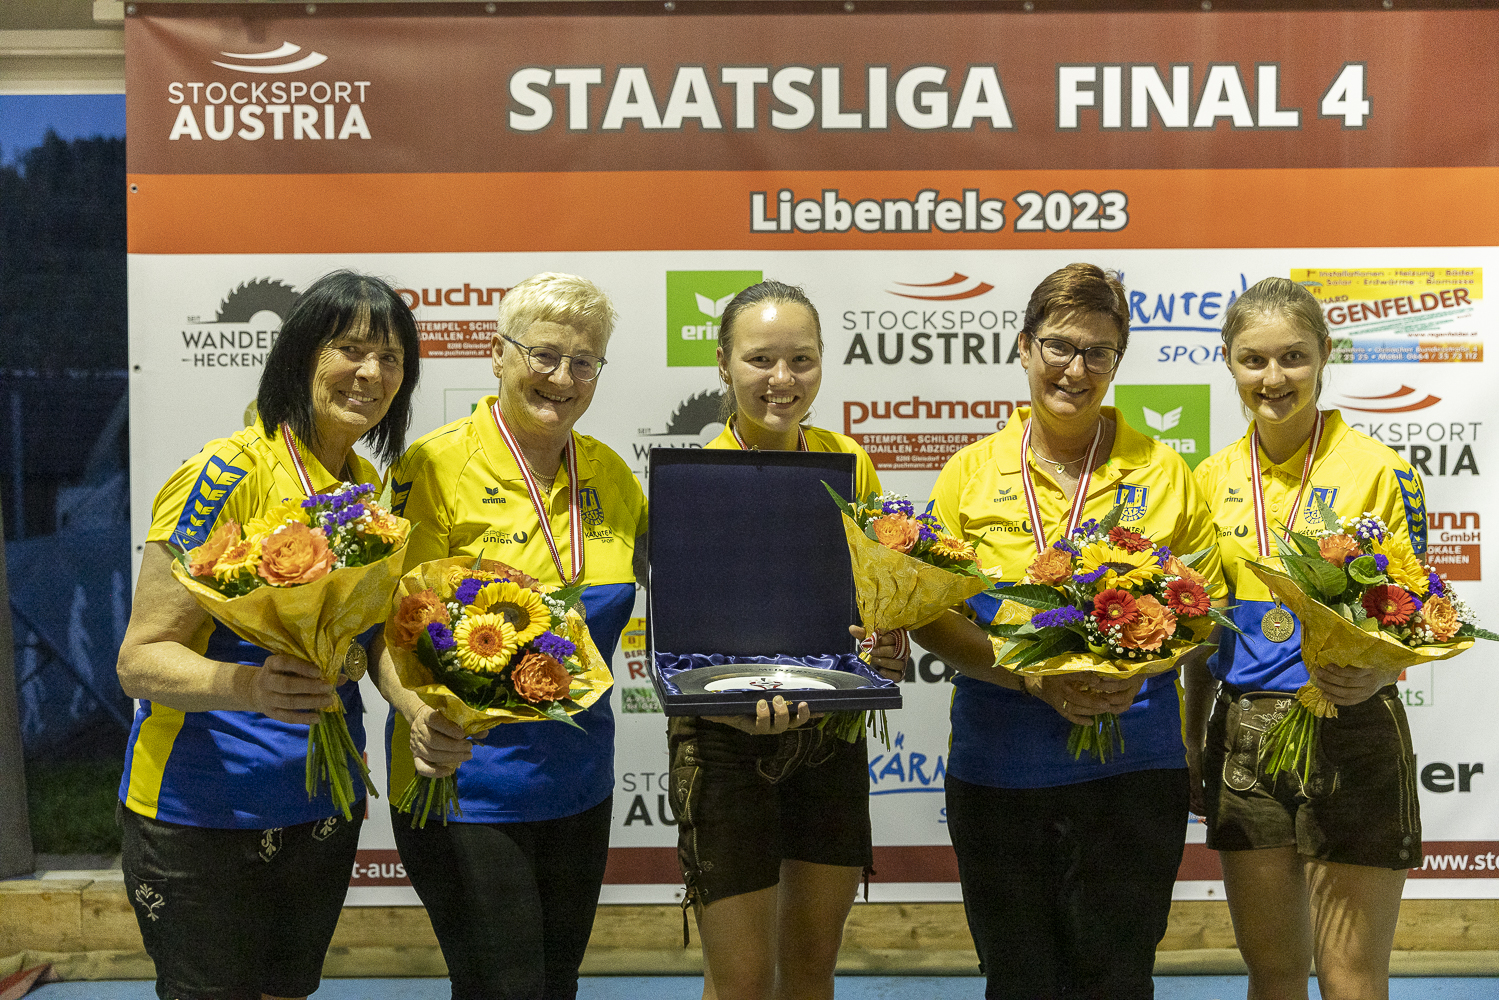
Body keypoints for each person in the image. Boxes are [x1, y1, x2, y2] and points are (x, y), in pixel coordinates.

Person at [908, 263, 1227, 1000]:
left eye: (1097, 352)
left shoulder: (1164, 472)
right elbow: (928, 614)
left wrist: (1137, 667)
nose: (1074, 369)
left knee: (1117, 980)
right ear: (1023, 348)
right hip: (1000, 766)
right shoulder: (968, 474)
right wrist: (1026, 676)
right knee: (1018, 980)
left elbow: (1205, 610)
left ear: (1117, 361)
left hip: (1133, 767)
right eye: (1057, 346)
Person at [116, 270, 420, 1000]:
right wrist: (247, 685)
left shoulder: (365, 490)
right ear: (300, 354)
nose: (371, 373)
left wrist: (417, 707)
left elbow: (370, 639)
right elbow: (139, 659)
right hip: (201, 811)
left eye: (391, 358)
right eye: (350, 349)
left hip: (321, 802)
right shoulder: (222, 475)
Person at [370, 272, 645, 1000]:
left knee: (556, 985)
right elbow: (382, 628)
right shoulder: (430, 466)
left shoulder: (614, 477)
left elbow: (690, 596)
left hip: (578, 780)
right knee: (505, 989)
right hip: (464, 782)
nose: (561, 378)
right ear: (496, 354)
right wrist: (416, 713)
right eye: (543, 355)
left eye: (583, 362)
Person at [1183, 276, 1427, 1000]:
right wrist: (1194, 738)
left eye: (1292, 357)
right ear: (1227, 361)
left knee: (1350, 975)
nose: (1273, 378)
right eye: (1253, 360)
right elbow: (1199, 631)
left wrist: (1380, 674)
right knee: (1273, 972)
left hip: (1349, 721)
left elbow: (1416, 616)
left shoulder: (1381, 470)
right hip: (1244, 731)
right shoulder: (1205, 479)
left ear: (1324, 353)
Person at [666, 279, 908, 1000]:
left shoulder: (850, 464)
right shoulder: (688, 478)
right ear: (721, 363)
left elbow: (870, 605)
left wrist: (885, 650)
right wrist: (716, 706)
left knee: (809, 972)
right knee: (739, 983)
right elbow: (676, 642)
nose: (781, 380)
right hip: (721, 743)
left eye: (800, 360)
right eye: (760, 360)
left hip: (828, 739)